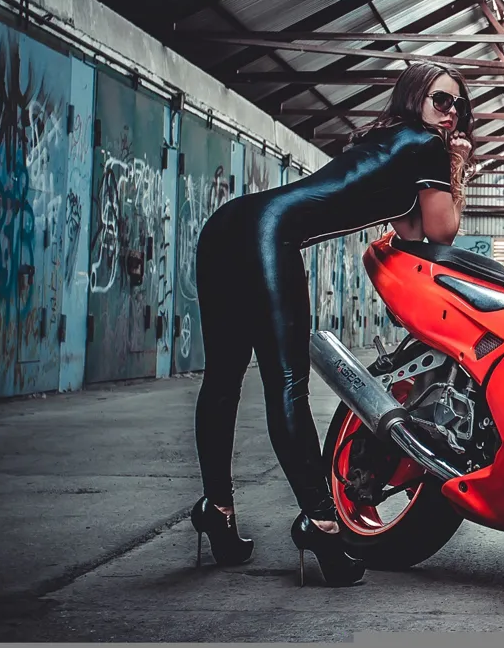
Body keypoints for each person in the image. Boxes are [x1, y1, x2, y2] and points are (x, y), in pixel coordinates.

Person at [189, 62, 473, 586]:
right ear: (414, 97)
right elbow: (441, 230)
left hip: (227, 224)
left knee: (223, 381)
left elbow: (411, 230)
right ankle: (321, 523)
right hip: (267, 234)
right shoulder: (427, 145)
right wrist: (456, 169)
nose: (451, 113)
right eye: (441, 100)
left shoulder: (390, 140)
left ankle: (218, 513)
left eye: (458, 104)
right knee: (288, 385)